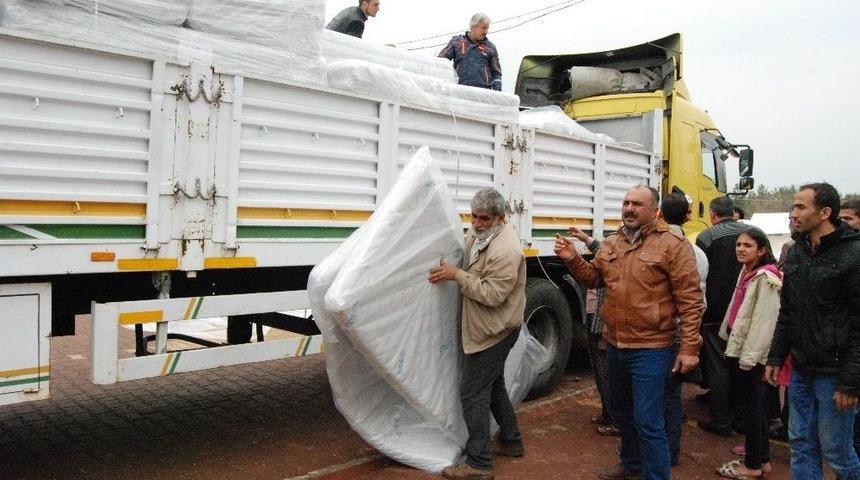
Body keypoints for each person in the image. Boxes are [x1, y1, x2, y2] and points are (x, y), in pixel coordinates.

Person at [554, 185, 704, 480]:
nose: (629, 208)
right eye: (626, 203)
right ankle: (632, 464)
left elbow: (690, 299)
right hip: (615, 343)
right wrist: (572, 258)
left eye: (637, 203)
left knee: (648, 420)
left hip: (653, 348)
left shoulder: (673, 244)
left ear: (654, 211)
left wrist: (689, 348)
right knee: (621, 412)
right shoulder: (613, 242)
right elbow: (594, 279)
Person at [429, 188, 526, 480]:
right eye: (474, 216)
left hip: (495, 330)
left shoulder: (506, 249)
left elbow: (493, 294)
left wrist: (456, 276)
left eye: (484, 218)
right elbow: (468, 249)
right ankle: (511, 441)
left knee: (472, 393)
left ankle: (479, 464)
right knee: (492, 385)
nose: (477, 223)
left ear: (500, 218)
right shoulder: (481, 235)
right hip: (489, 327)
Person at [766, 182, 860, 479]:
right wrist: (775, 356)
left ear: (825, 212)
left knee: (837, 451)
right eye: (793, 206)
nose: (793, 213)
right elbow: (788, 311)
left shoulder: (854, 254)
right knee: (801, 444)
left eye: (800, 206)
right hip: (801, 368)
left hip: (835, 374)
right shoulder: (797, 252)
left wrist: (850, 382)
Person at [716, 228, 782, 480]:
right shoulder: (748, 273)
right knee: (755, 408)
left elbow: (764, 324)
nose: (741, 249)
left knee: (753, 411)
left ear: (762, 250)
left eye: (748, 246)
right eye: (739, 245)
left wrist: (750, 360)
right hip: (743, 349)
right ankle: (762, 460)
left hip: (752, 356)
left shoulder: (766, 279)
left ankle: (752, 465)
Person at [660, 192, 709, 467]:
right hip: (685, 331)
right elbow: (699, 301)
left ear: (658, 214)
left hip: (667, 334)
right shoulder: (697, 253)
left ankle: (665, 454)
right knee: (670, 395)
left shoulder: (663, 248)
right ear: (689, 216)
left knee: (663, 397)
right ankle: (669, 451)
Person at [696, 196, 748, 437]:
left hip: (717, 311)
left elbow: (702, 276)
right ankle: (742, 416)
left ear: (713, 214)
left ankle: (721, 420)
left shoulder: (706, 237)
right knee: (744, 363)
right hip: (747, 309)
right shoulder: (754, 233)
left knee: (719, 365)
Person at [567, 226, 619, 437]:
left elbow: (602, 252)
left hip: (603, 322)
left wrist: (586, 242)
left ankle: (616, 417)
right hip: (594, 317)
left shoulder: (617, 260)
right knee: (599, 369)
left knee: (607, 370)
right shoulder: (608, 256)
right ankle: (608, 412)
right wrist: (585, 238)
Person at [438, 13, 502, 91]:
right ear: (472, 27)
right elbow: (441, 61)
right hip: (460, 90)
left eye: (487, 28)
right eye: (483, 28)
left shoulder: (490, 48)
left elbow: (497, 72)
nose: (486, 31)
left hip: (484, 93)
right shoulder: (456, 42)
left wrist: (497, 89)